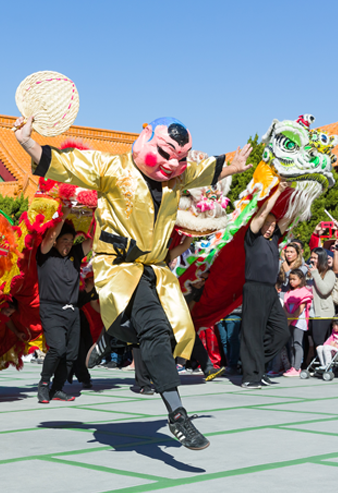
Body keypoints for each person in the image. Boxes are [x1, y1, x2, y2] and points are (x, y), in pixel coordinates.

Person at [15, 114, 252, 450]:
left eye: (180, 157)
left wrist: (232, 164)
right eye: (166, 153)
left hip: (155, 270)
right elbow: (62, 165)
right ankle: (178, 415)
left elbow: (207, 170)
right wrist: (26, 141)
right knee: (153, 328)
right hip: (119, 267)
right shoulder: (111, 168)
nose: (172, 164)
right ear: (145, 138)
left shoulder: (176, 178)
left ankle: (113, 336)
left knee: (167, 332)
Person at [35, 206, 92, 403]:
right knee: (57, 348)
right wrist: (65, 214)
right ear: (57, 241)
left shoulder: (75, 255)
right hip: (51, 309)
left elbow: (93, 241)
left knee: (71, 354)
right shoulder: (45, 255)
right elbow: (50, 237)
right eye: (64, 240)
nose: (67, 244)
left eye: (70, 240)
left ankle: (57, 389)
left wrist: (101, 212)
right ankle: (44, 385)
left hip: (73, 311)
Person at [240, 180, 292, 389]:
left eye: (272, 225)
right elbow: (262, 214)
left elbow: (289, 217)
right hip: (253, 288)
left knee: (281, 332)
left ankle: (258, 364)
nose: (270, 228)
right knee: (252, 333)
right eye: (267, 225)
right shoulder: (252, 237)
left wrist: (301, 193)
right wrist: (278, 190)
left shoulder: (274, 240)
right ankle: (250, 376)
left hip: (270, 291)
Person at [283, 269, 313, 377]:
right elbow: (285, 308)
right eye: (290, 279)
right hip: (290, 321)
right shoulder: (288, 293)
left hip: (299, 322)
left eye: (294, 279)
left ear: (301, 280)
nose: (291, 281)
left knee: (297, 343)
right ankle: (292, 366)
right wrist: (287, 318)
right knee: (291, 344)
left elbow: (300, 309)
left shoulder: (304, 292)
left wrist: (291, 318)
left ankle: (297, 368)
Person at [308, 247, 335, 347]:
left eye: (315, 258)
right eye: (311, 257)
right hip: (308, 314)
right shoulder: (309, 274)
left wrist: (315, 273)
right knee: (308, 343)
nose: (312, 260)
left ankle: (324, 362)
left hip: (322, 314)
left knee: (319, 342)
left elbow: (324, 290)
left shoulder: (329, 273)